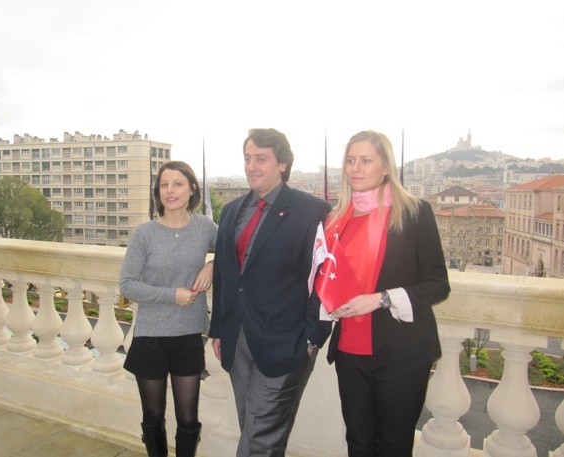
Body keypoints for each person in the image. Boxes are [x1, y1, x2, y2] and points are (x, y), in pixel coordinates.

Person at [317, 130, 450, 456]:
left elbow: (438, 284)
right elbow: (325, 279)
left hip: (401, 354)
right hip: (349, 353)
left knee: (393, 446)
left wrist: (381, 299)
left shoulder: (415, 212)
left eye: (365, 160)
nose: (355, 168)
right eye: (350, 160)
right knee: (358, 444)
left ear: (386, 166)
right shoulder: (335, 220)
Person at [209, 128, 332, 457]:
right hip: (237, 342)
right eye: (248, 158)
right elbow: (224, 273)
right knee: (250, 425)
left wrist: (311, 338)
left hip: (284, 343)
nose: (252, 166)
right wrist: (219, 330)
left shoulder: (312, 211)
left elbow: (325, 278)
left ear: (283, 164)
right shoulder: (233, 210)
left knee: (262, 437)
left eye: (261, 159)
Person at [119, 161, 217, 457]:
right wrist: (170, 295)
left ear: (192, 189)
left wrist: (213, 264)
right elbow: (127, 285)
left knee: (188, 418)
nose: (170, 191)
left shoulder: (205, 228)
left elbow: (236, 251)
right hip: (150, 337)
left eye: (178, 184)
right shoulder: (144, 233)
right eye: (164, 185)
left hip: (188, 335)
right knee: (153, 416)